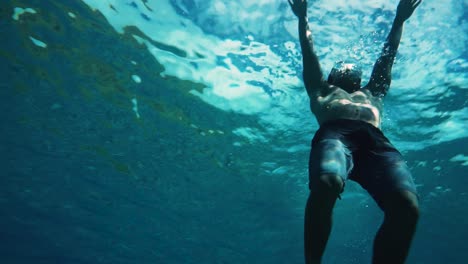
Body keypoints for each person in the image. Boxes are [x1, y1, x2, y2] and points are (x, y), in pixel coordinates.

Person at [287, 0, 422, 263]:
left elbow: (388, 55)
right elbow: (309, 53)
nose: (349, 68)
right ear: (331, 76)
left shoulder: (373, 93)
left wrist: (400, 19)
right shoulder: (321, 89)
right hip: (335, 136)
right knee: (327, 183)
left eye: (353, 69)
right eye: (342, 68)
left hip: (378, 145)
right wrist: (303, 19)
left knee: (408, 207)